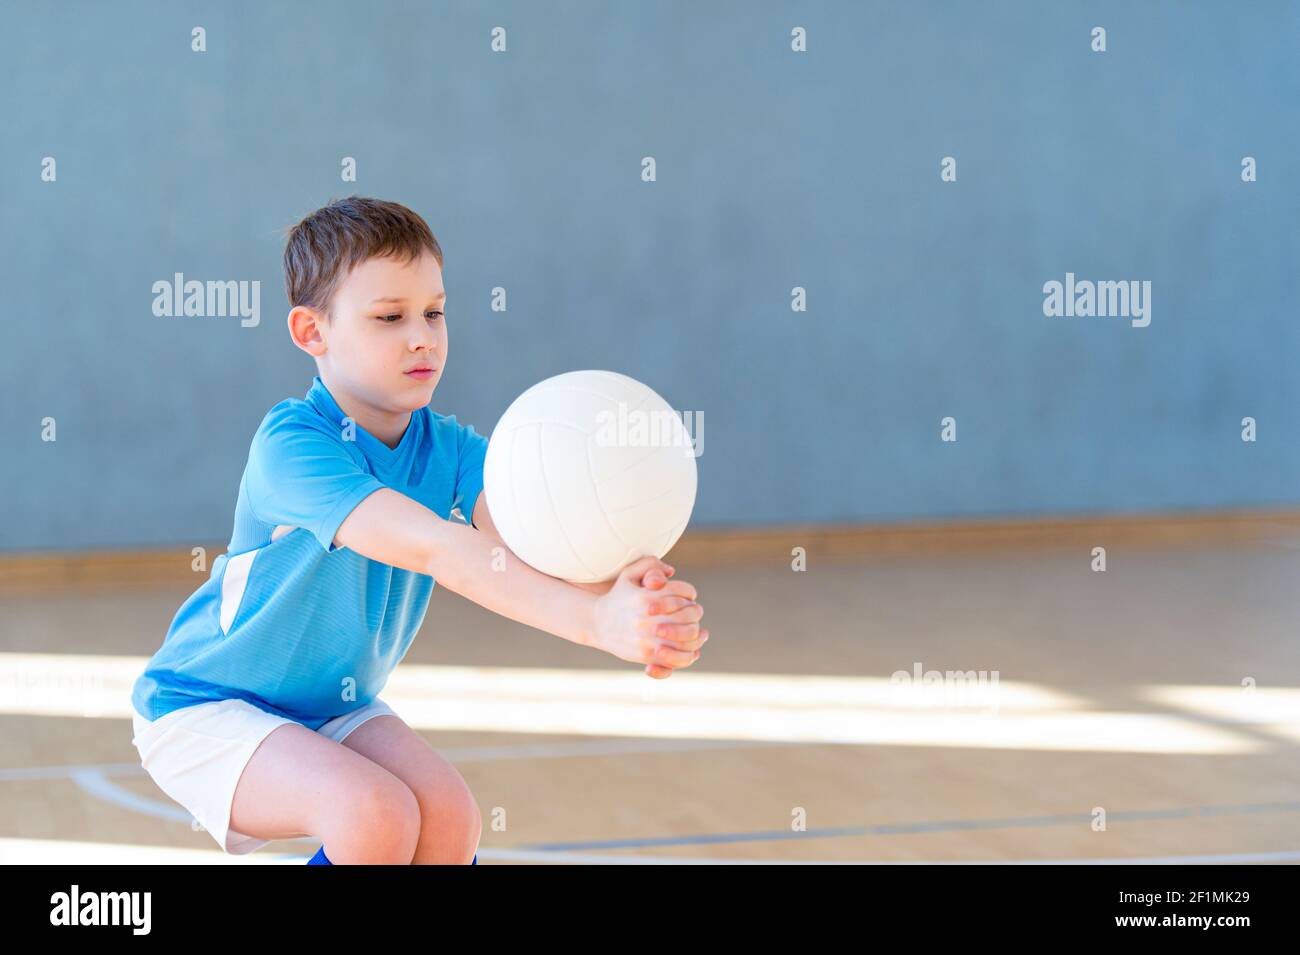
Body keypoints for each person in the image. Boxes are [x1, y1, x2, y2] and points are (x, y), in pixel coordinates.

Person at [130, 196, 707, 864]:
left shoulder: (453, 449)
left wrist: (625, 592)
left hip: (328, 703)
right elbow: (441, 548)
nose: (422, 336)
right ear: (311, 332)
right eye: (389, 317)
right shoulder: (292, 447)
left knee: (450, 820)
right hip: (205, 706)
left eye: (434, 311)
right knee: (373, 814)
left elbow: (535, 546)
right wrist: (596, 624)